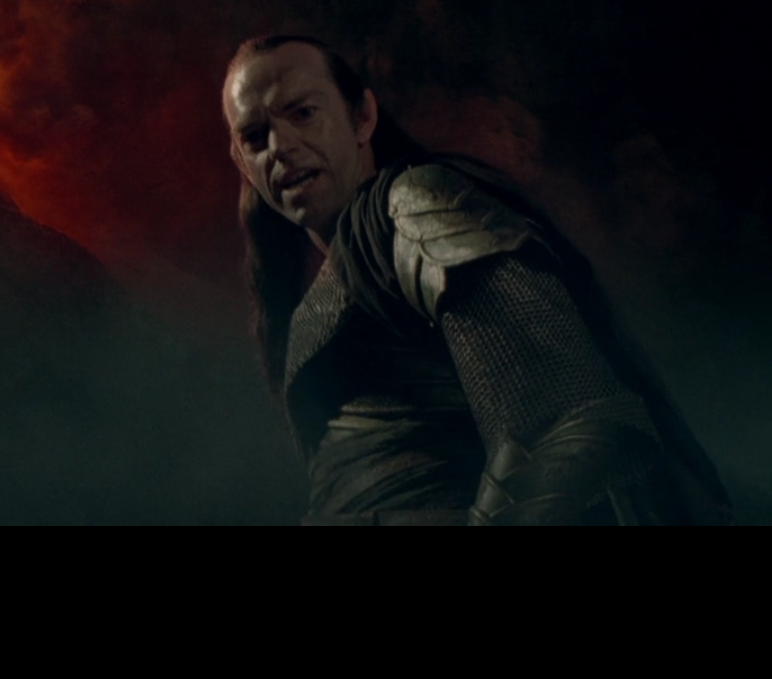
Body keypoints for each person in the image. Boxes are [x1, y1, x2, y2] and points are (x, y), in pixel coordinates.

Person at [223, 35, 733, 526]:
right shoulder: (324, 288)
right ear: (243, 164)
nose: (280, 146)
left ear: (363, 117)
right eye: (255, 136)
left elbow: (566, 420)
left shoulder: (415, 205)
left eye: (303, 113)